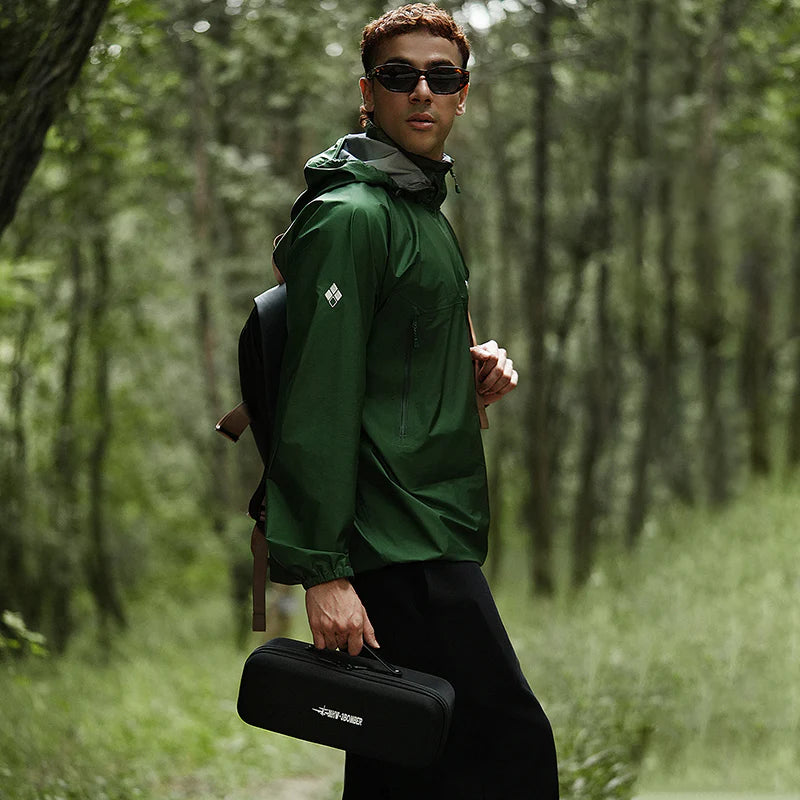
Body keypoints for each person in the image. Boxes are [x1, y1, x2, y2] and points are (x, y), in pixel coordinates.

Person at [264, 4, 559, 797]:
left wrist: (467, 372)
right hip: (395, 540)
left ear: (464, 94)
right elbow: (316, 401)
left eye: (442, 77)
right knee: (511, 749)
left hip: (431, 521)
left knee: (410, 758)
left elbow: (389, 363)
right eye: (400, 77)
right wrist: (321, 573)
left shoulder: (418, 208)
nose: (421, 92)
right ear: (370, 93)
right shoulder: (352, 217)